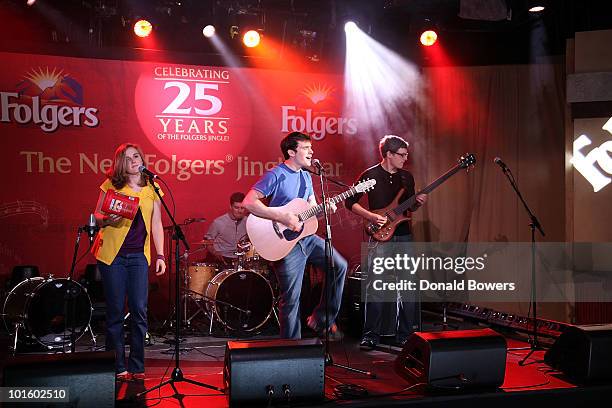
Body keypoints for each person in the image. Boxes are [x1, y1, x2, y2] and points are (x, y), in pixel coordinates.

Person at [243, 131, 348, 339]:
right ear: (291, 152)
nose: (312, 151)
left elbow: (310, 207)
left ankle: (321, 319)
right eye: (306, 148)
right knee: (292, 299)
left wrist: (323, 209)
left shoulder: (306, 176)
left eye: (311, 147)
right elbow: (249, 202)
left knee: (339, 266)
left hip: (306, 238)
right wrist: (282, 216)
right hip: (285, 242)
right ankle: (291, 351)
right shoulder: (276, 174)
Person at [345, 135, 427, 350]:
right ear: (388, 155)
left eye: (406, 154)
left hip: (404, 235)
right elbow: (349, 202)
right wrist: (371, 216)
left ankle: (405, 335)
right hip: (380, 237)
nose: (405, 158)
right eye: (402, 154)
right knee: (377, 286)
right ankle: (371, 335)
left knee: (407, 287)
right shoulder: (370, 175)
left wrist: (418, 203)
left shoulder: (406, 177)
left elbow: (409, 208)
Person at [91, 143, 166, 381]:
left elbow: (156, 224)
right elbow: (97, 218)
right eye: (128, 157)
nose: (133, 160)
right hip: (113, 255)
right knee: (115, 311)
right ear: (121, 162)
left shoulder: (152, 188)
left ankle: (136, 365)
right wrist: (108, 219)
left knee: (139, 311)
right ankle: (116, 364)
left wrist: (161, 254)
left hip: (138, 256)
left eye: (137, 156)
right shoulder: (111, 184)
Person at [203, 192, 248, 266]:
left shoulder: (248, 222)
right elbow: (208, 242)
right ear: (230, 206)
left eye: (242, 208)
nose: (240, 211)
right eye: (236, 208)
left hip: (240, 259)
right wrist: (215, 253)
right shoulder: (218, 222)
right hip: (222, 259)